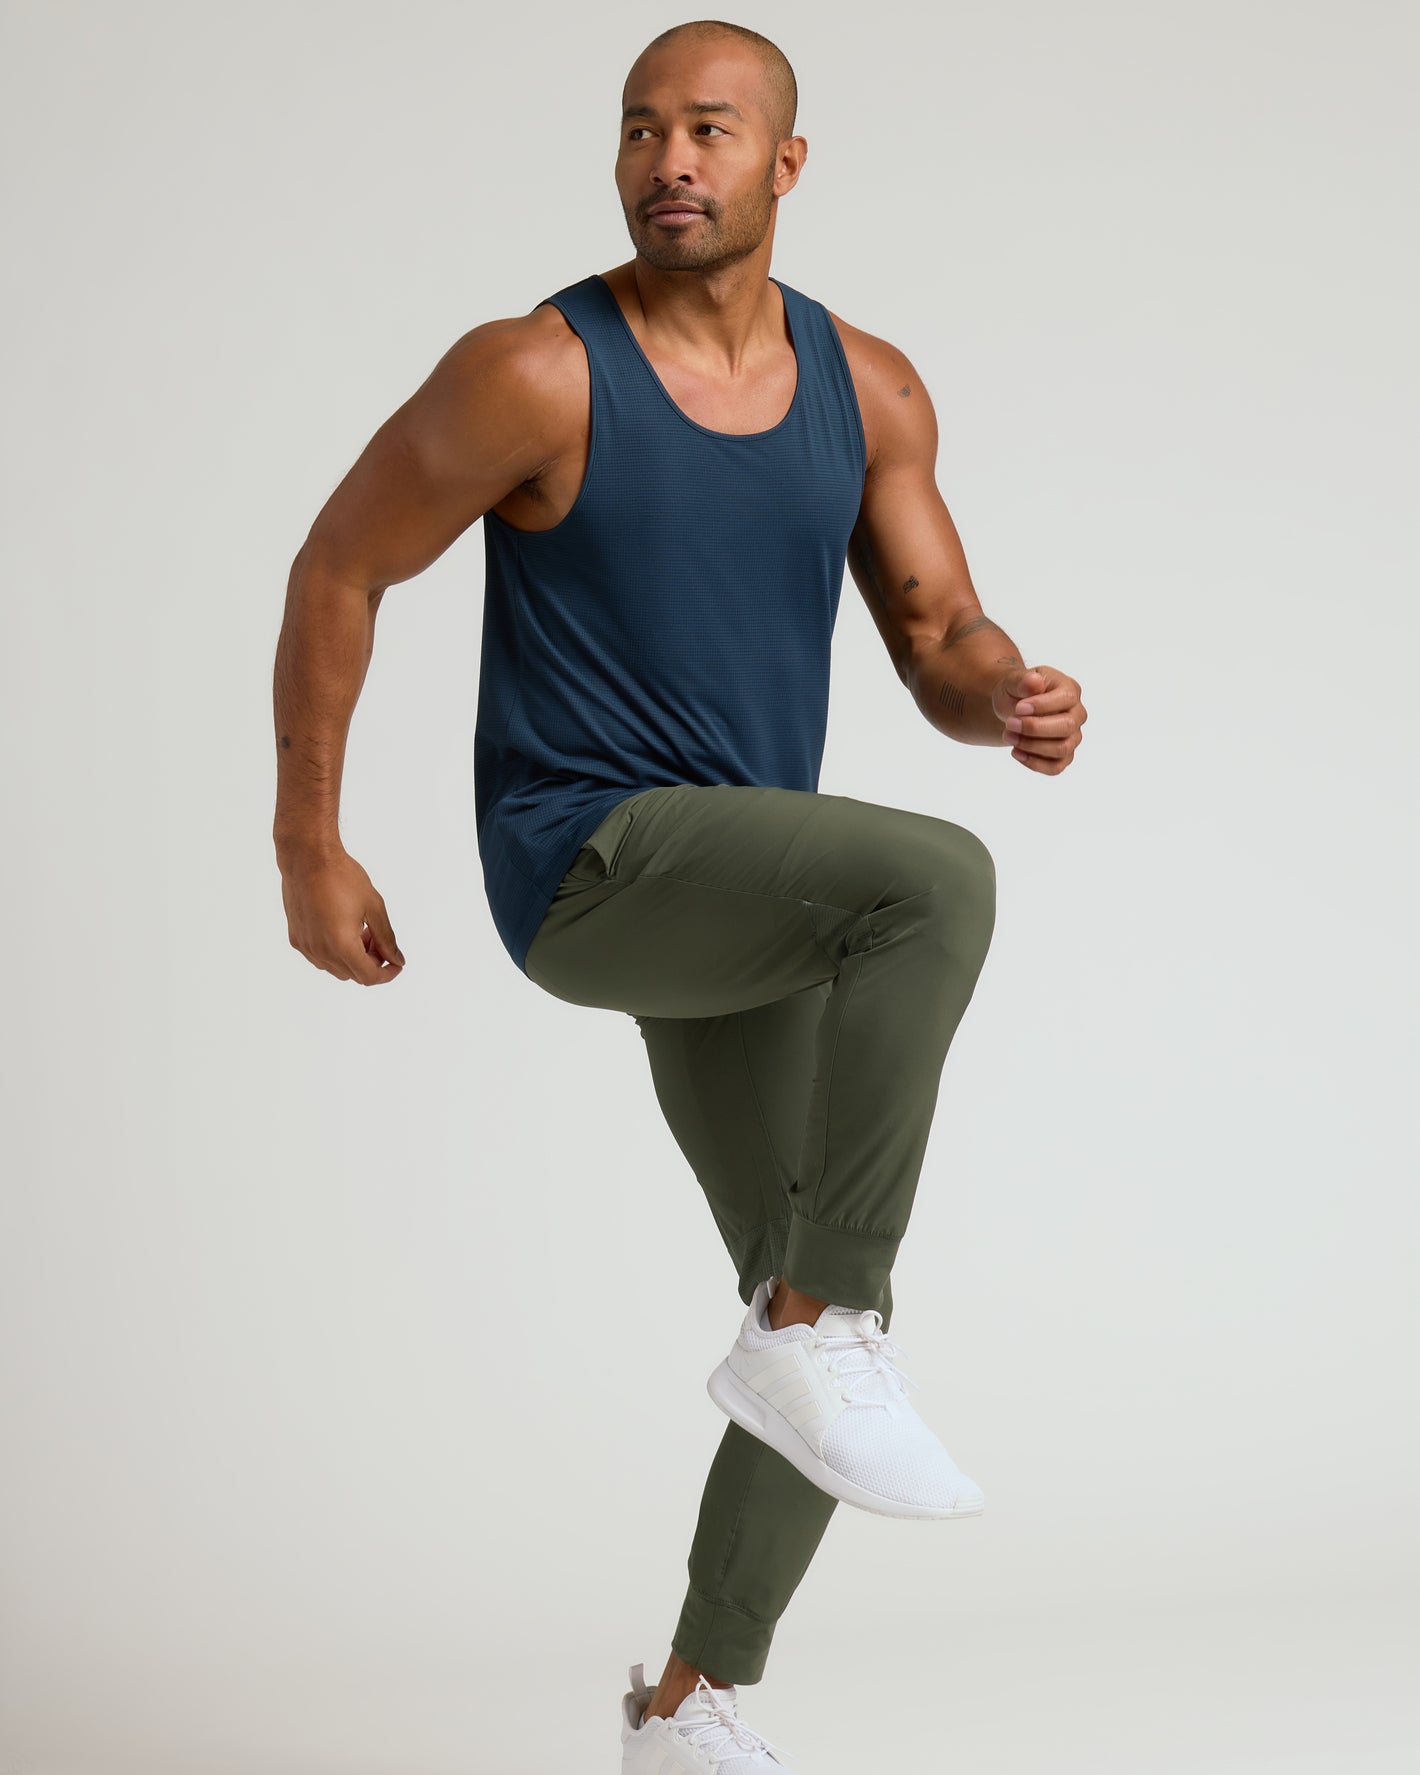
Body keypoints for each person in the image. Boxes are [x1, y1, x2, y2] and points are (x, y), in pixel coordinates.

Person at [272, 17, 1087, 1771]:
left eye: (711, 132)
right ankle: (822, 1326)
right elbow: (343, 559)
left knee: (812, 1297)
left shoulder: (866, 385)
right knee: (935, 889)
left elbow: (941, 635)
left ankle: (690, 1708)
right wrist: (307, 842)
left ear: (785, 166)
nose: (670, 163)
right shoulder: (538, 371)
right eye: (643, 131)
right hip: (586, 855)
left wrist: (1008, 691)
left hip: (756, 888)